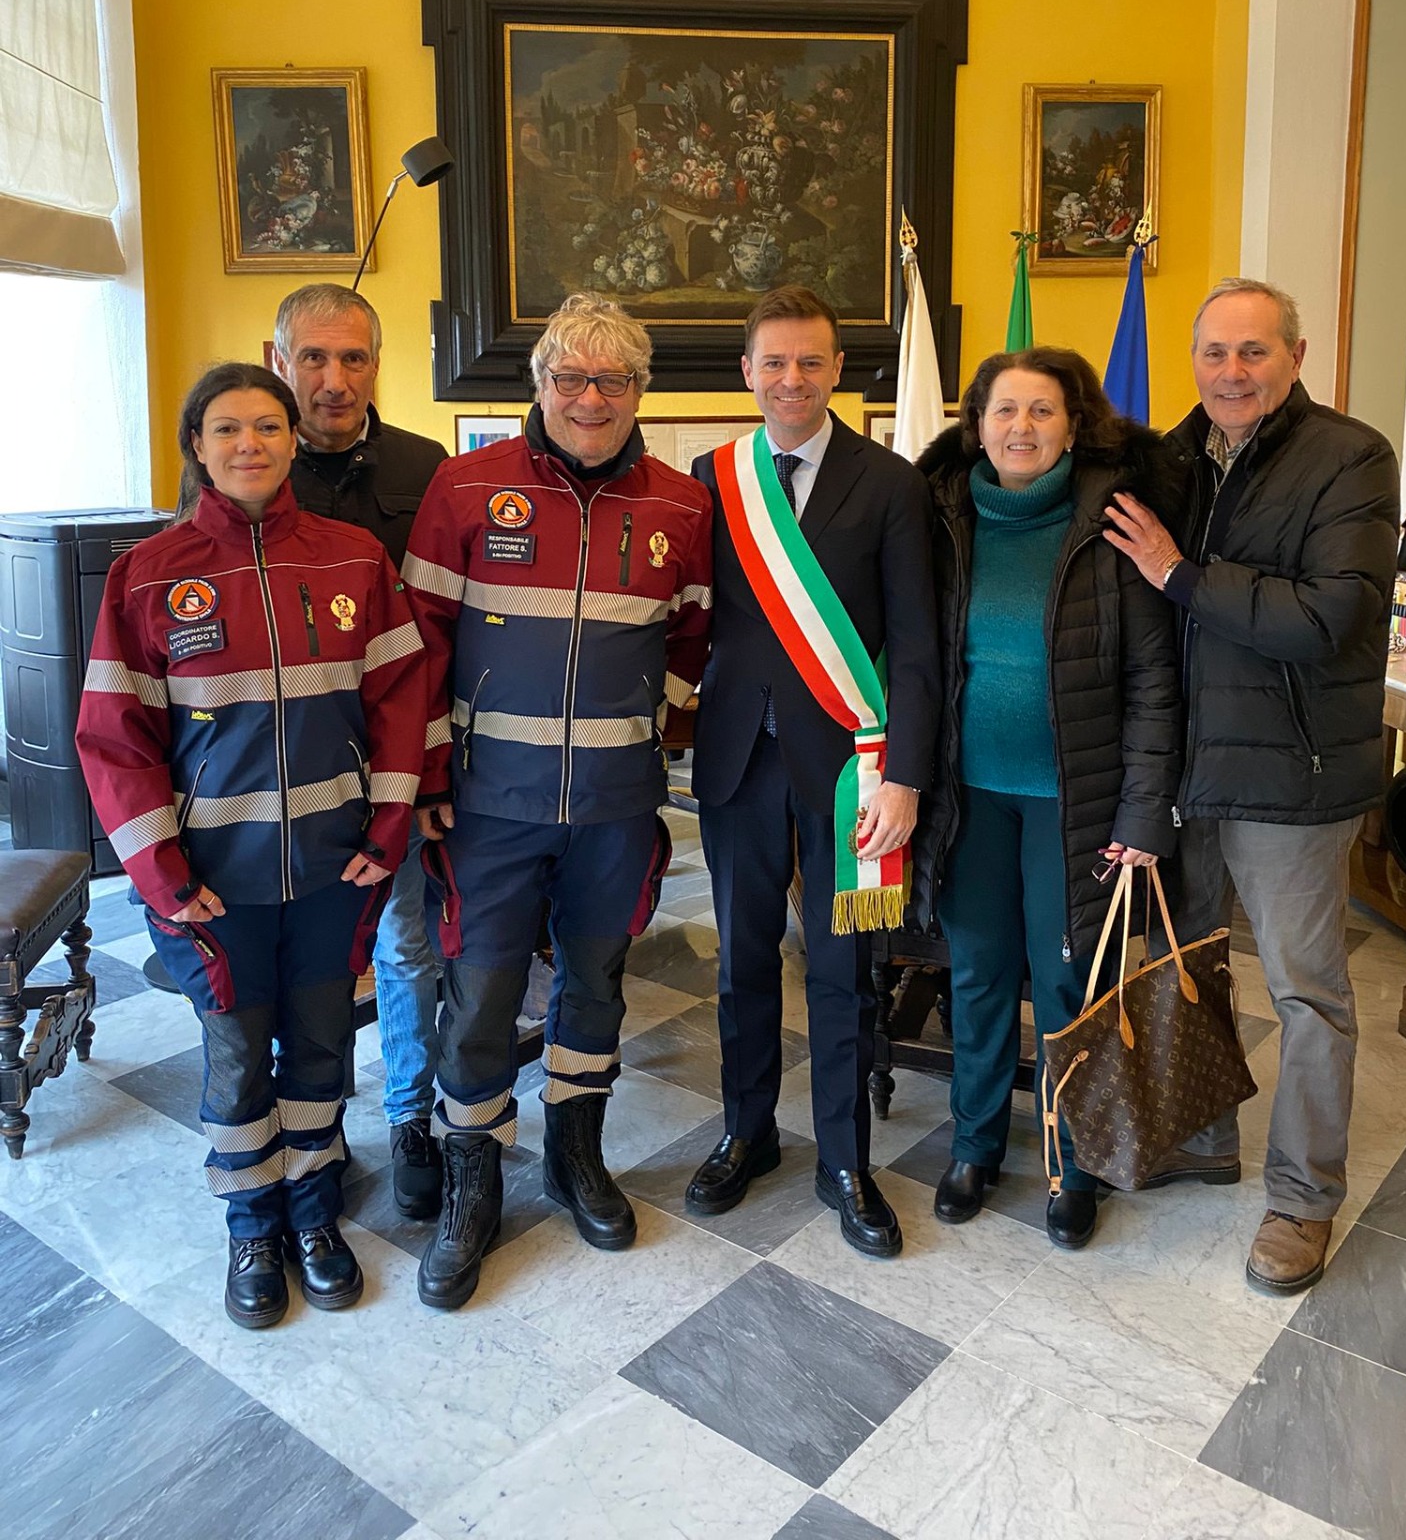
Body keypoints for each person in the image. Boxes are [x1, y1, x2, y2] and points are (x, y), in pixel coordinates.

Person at [76, 364, 427, 1329]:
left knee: (320, 1048)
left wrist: (388, 826)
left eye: (268, 427)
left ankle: (313, 1211)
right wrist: (161, 875)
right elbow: (114, 740)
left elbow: (402, 701)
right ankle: (251, 1223)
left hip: (332, 868)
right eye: (227, 428)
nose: (250, 445)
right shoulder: (148, 575)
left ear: (291, 439)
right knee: (235, 1057)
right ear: (197, 445)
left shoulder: (355, 559)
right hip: (213, 884)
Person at [403, 292, 712, 1309]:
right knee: (481, 996)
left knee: (595, 988)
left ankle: (576, 1154)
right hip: (489, 806)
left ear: (640, 393)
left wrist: (651, 726)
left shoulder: (680, 506)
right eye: (571, 378)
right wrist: (431, 774)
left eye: (613, 380)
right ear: (539, 383)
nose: (591, 398)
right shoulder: (465, 486)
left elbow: (692, 637)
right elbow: (419, 645)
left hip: (615, 809)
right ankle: (472, 1181)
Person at [1104, 278, 1399, 1295]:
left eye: (1254, 351)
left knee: (1307, 992)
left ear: (1296, 357)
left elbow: (1328, 619)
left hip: (1292, 775)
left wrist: (1180, 572)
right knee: (1186, 963)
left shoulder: (1351, 457)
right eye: (1215, 352)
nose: (1231, 372)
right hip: (1186, 768)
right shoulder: (1169, 458)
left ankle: (1303, 1198)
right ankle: (1202, 1136)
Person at [684, 286, 939, 1259]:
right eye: (775, 362)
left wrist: (905, 774)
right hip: (737, 757)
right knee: (743, 959)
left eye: (810, 361)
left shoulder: (892, 482)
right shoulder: (712, 478)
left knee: (843, 969)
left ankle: (845, 1160)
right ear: (748, 372)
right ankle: (746, 1133)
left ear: (838, 371)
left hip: (851, 769)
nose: (792, 378)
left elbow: (914, 643)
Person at [910, 349, 1182, 1250]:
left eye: (1041, 411)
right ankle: (975, 1145)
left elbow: (1153, 682)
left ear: (1074, 426)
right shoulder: (941, 517)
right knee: (979, 973)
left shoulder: (1114, 523)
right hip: (968, 799)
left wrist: (1144, 811)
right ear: (976, 424)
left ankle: (1077, 1158)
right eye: (1003, 410)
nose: (1020, 427)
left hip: (1077, 802)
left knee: (1070, 981)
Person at [272, 284, 449, 1225]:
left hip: (394, 761)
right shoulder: (247, 464)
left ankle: (410, 1117)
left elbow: (446, 629)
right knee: (306, 961)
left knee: (406, 946)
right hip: (285, 772)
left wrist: (434, 767)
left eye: (353, 358)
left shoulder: (427, 468)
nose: (334, 380)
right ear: (279, 362)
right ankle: (317, 1131)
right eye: (313, 357)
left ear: (378, 364)